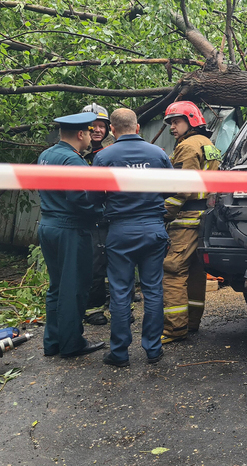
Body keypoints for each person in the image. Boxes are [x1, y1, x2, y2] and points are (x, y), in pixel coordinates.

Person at [90, 108, 172, 367]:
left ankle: (120, 353)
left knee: (120, 291)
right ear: (138, 128)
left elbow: (94, 197)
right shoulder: (158, 153)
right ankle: (153, 349)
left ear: (112, 130)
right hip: (153, 228)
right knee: (153, 290)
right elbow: (171, 187)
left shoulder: (104, 156)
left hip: (121, 232)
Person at [37, 112, 106, 358]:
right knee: (74, 287)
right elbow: (81, 199)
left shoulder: (46, 155)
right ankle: (71, 343)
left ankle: (53, 342)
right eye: (89, 132)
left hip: (48, 226)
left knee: (56, 286)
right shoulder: (73, 161)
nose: (91, 136)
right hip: (71, 229)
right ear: (80, 134)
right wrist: (102, 212)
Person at [161, 101, 220, 343]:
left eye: (176, 121)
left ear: (191, 120)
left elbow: (181, 190)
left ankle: (175, 329)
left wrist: (164, 213)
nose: (172, 127)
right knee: (196, 271)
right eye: (170, 123)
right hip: (206, 219)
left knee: (173, 270)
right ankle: (192, 322)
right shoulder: (209, 145)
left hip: (186, 219)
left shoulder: (187, 147)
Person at [79, 104, 115, 326]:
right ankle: (93, 309)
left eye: (102, 126)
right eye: (93, 126)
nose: (97, 130)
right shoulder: (76, 154)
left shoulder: (113, 151)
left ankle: (120, 305)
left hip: (112, 215)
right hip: (88, 218)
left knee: (117, 263)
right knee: (93, 265)